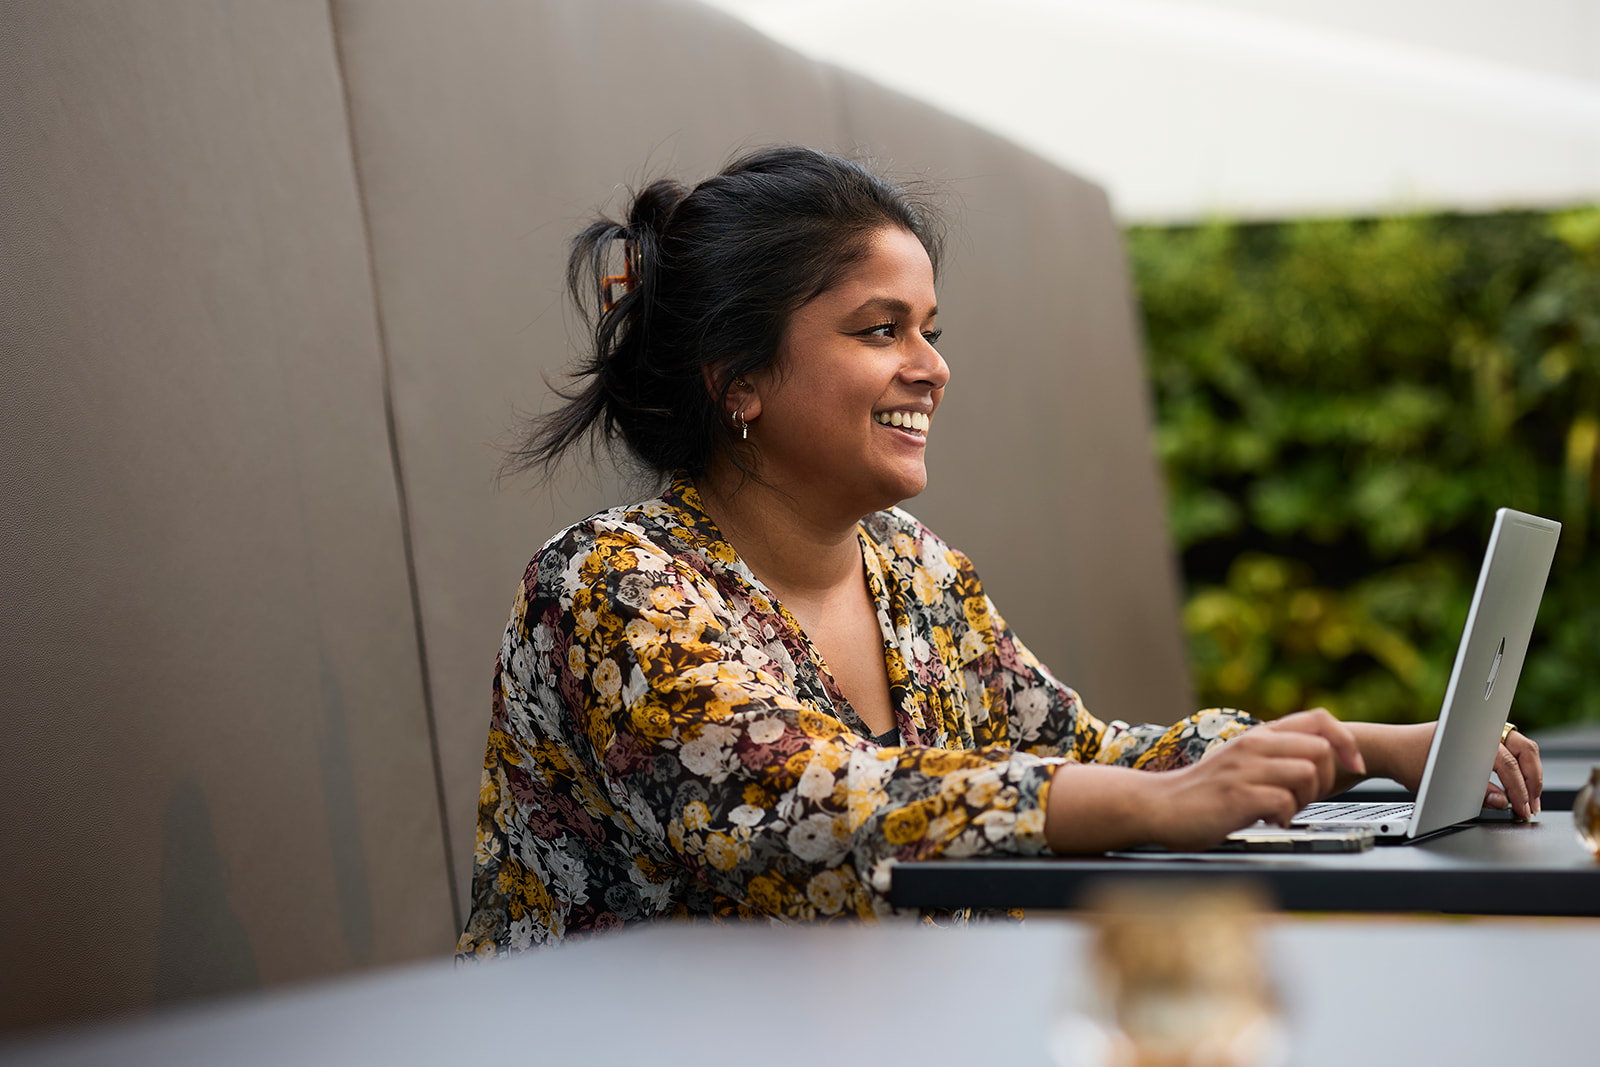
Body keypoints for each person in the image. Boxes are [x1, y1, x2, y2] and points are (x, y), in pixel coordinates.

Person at [456, 146, 1544, 956]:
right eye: (880, 329)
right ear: (736, 378)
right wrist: (1153, 806)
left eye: (931, 328)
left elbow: (1079, 750)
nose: (930, 365)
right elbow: (791, 809)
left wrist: (1363, 749)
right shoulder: (609, 584)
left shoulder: (914, 571)